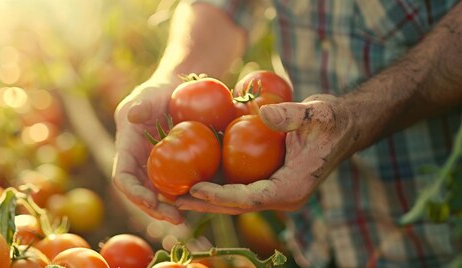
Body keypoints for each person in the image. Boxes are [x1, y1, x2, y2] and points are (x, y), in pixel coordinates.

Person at [112, 0, 462, 267]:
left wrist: (358, 117)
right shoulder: (246, 119)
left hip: (439, 228)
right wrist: (173, 78)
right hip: (317, 237)